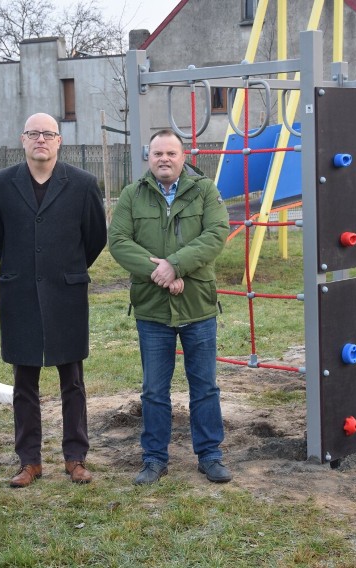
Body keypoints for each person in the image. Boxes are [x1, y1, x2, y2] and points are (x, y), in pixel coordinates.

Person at [0, 113, 107, 487]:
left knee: (72, 380)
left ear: (59, 141)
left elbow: (95, 237)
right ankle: (29, 461)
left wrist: (65, 268)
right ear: (22, 140)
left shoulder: (83, 184)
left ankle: (75, 458)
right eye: (34, 133)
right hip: (19, 291)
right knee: (24, 382)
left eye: (48, 134)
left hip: (65, 292)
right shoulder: (2, 184)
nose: (41, 139)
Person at [108, 129, 232, 485]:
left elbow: (215, 235)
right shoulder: (133, 195)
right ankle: (153, 458)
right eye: (157, 153)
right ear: (149, 157)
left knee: (205, 386)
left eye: (171, 153)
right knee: (154, 389)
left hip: (198, 307)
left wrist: (175, 264)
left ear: (183, 156)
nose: (164, 159)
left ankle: (210, 455)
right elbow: (118, 241)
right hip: (152, 310)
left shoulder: (204, 191)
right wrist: (160, 272)